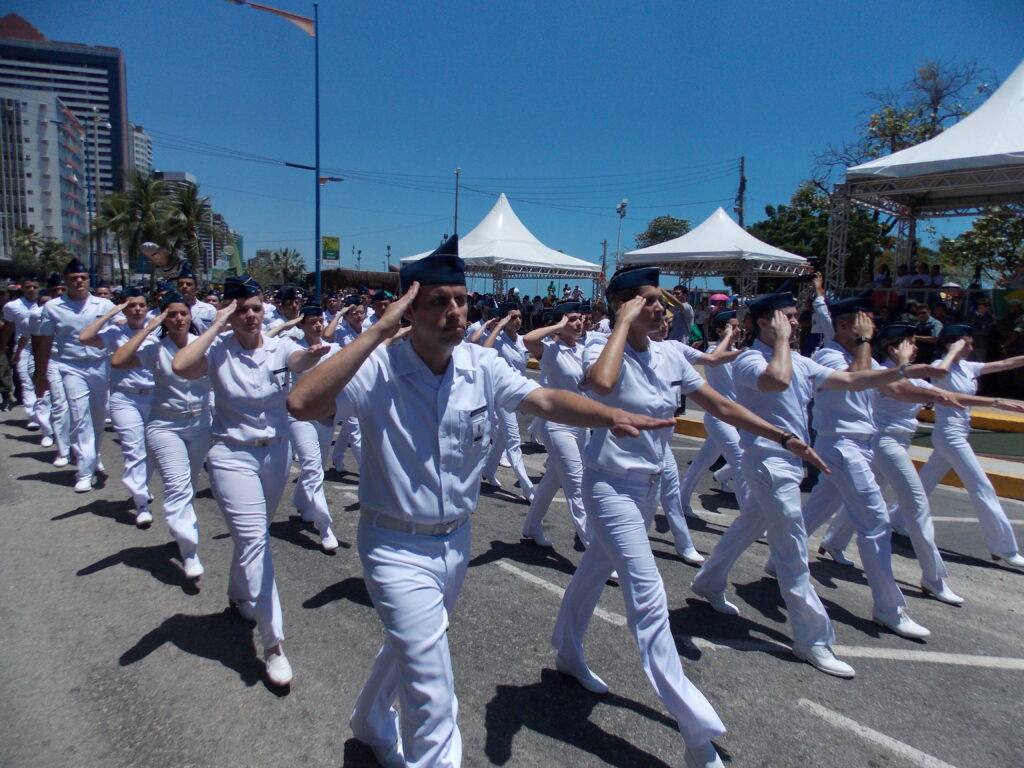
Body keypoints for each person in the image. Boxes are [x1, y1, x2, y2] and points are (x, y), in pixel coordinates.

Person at [287, 237, 673, 768]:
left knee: (413, 646)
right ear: (408, 308)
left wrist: (608, 416)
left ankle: (370, 721)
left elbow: (541, 399)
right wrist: (377, 331)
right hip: (394, 543)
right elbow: (302, 402)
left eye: (461, 300)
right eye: (438, 301)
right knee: (432, 682)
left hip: (454, 541)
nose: (453, 311)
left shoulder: (479, 363)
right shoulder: (378, 367)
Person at [551, 267, 828, 768]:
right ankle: (697, 733)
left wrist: (782, 436)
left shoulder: (673, 353)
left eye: (662, 302)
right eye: (650, 301)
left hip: (646, 489)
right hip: (609, 486)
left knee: (594, 571)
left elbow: (720, 404)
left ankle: (567, 651)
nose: (663, 309)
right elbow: (601, 383)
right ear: (624, 307)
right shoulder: (599, 345)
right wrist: (620, 324)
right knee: (648, 596)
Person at [690, 288, 945, 678]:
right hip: (766, 463)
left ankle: (708, 580)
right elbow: (774, 381)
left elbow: (852, 381)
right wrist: (779, 342)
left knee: (748, 524)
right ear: (765, 322)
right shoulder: (750, 360)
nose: (796, 322)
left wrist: (907, 370)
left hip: (791, 462)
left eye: (795, 317)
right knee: (792, 549)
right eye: (788, 317)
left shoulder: (802, 361)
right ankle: (813, 639)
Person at [172, 275, 331, 686]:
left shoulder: (279, 346)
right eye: (241, 309)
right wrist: (214, 324)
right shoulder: (218, 350)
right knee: (256, 542)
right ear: (229, 313)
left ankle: (239, 593)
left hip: (276, 451)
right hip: (231, 455)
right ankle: (273, 642)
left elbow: (296, 362)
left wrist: (312, 356)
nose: (250, 316)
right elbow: (181, 365)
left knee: (254, 536)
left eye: (256, 308)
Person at [796, 297, 950, 638]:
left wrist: (920, 376)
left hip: (859, 445)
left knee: (820, 506)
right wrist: (866, 343)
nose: (872, 330)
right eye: (864, 323)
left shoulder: (857, 357)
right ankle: (888, 608)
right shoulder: (828, 355)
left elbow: (892, 385)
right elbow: (858, 378)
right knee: (875, 521)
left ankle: (781, 560)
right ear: (845, 326)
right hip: (842, 443)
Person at [816, 323, 965, 604]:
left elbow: (932, 388)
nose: (916, 347)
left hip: (888, 442)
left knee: (831, 499)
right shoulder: (876, 367)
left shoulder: (906, 373)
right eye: (910, 342)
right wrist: (935, 376)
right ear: (893, 347)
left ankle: (832, 542)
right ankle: (933, 578)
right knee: (916, 504)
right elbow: (900, 390)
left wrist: (993, 402)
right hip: (884, 443)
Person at [904, 324, 1024, 568]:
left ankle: (897, 519)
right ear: (952, 344)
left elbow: (1004, 364)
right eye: (966, 342)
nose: (971, 347)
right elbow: (938, 374)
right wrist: (951, 351)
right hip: (949, 435)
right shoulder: (941, 365)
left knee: (924, 482)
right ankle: (1005, 549)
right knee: (982, 487)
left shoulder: (968, 367)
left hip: (959, 433)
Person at [32, 258, 115, 492]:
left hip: (100, 364)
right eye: (73, 279)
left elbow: (120, 335)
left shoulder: (104, 306)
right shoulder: (53, 307)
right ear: (66, 282)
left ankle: (94, 454)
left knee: (99, 415)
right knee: (79, 417)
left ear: (89, 280)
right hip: (70, 366)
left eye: (83, 278)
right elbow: (45, 342)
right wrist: (41, 375)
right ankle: (84, 471)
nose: (79, 281)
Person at [79, 288, 155, 525]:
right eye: (131, 305)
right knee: (134, 449)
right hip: (125, 398)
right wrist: (111, 313)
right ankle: (141, 502)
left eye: (141, 305)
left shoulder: (157, 328)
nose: (136, 310)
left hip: (156, 397)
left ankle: (141, 485)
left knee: (152, 450)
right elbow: (85, 338)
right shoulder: (115, 331)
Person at [520, 301, 589, 547]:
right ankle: (596, 547)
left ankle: (531, 526)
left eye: (580, 318)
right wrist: (558, 325)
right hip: (557, 424)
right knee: (577, 484)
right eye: (572, 319)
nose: (579, 322)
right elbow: (529, 339)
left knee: (554, 478)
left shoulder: (585, 350)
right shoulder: (551, 350)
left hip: (582, 425)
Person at [287, 300, 339, 552]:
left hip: (326, 415)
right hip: (299, 417)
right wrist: (290, 326)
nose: (318, 325)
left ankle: (300, 499)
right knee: (312, 467)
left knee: (316, 465)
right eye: (312, 322)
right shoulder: (291, 348)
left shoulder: (335, 347)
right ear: (301, 325)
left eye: (321, 320)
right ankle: (325, 527)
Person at [479, 301, 535, 500]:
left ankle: (488, 469)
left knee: (503, 437)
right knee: (513, 439)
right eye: (512, 317)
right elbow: (484, 351)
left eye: (519, 316)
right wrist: (500, 326)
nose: (518, 321)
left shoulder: (521, 340)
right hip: (502, 396)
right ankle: (529, 489)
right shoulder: (498, 339)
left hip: (519, 394)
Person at [1, 273, 42, 424]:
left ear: (39, 289)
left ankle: (44, 413)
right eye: (28, 287)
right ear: (23, 289)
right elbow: (8, 328)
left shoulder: (46, 305)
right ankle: (33, 416)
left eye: (35, 287)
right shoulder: (12, 306)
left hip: (44, 347)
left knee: (42, 381)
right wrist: (3, 346)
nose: (31, 290)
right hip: (23, 348)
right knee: (26, 381)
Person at [176, 263, 217, 333]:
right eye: (181, 284)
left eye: (188, 284)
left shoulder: (209, 309)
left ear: (196, 289)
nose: (184, 286)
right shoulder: (171, 310)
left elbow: (215, 331)